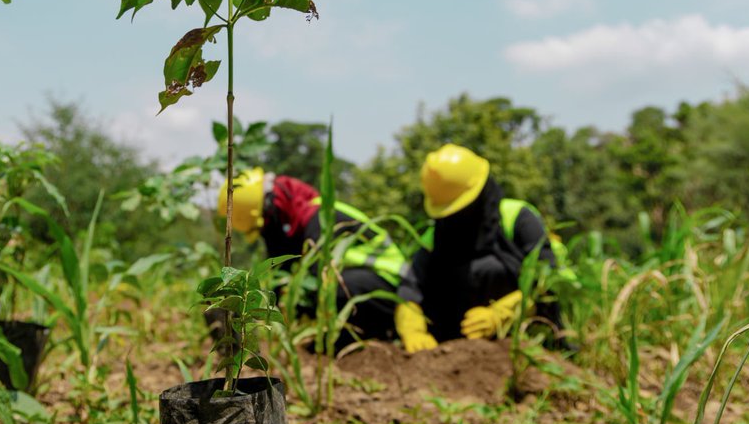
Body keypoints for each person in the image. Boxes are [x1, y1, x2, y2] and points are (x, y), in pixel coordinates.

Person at [394, 144, 570, 353]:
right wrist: (413, 330)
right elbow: (409, 289)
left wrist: (501, 314)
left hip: (525, 335)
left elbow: (549, 281)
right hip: (455, 343)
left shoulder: (517, 218)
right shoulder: (435, 238)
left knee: (489, 267)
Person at [218, 168, 408, 344]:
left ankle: (365, 336)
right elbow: (281, 279)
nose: (267, 234)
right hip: (365, 282)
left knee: (331, 289)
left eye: (265, 227)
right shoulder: (290, 225)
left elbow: (320, 276)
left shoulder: (320, 217)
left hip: (395, 286)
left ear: (270, 210)